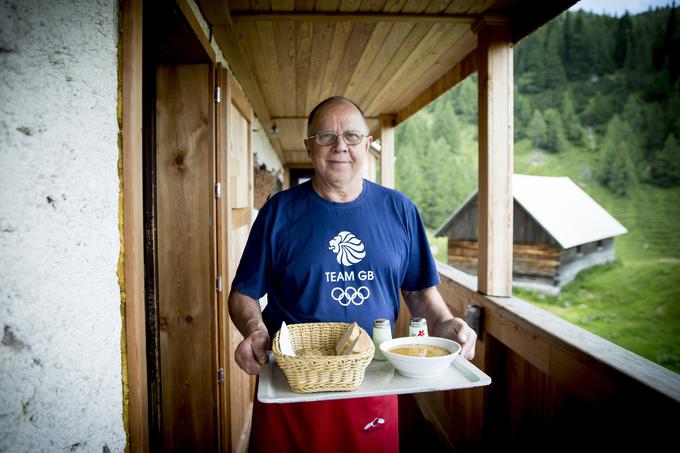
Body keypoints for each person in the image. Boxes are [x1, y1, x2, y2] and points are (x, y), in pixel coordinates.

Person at [228, 96, 477, 452]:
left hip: (373, 378)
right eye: (326, 136)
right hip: (293, 384)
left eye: (352, 136)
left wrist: (442, 323)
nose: (340, 146)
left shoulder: (400, 210)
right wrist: (254, 330)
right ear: (309, 147)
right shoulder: (278, 213)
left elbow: (419, 289)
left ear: (368, 144)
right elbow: (243, 293)